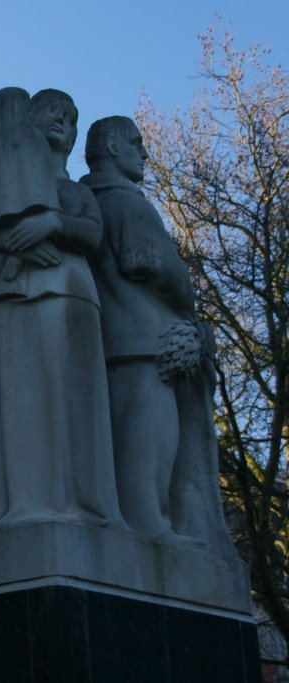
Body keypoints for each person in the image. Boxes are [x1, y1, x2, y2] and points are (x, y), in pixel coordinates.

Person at [0, 89, 125, 531]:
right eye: (50, 111)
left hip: (66, 290)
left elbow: (92, 234)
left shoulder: (76, 190)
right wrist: (13, 241)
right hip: (7, 293)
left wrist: (52, 223)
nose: (61, 119)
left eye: (70, 116)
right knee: (18, 401)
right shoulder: (2, 171)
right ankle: (22, 501)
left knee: (68, 398)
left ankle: (75, 503)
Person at [81, 116, 233, 548]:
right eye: (136, 143)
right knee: (148, 436)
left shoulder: (91, 200)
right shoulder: (124, 201)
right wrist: (185, 297)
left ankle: (151, 522)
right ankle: (150, 525)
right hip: (142, 338)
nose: (144, 153)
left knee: (138, 434)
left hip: (124, 338)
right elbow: (145, 259)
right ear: (111, 146)